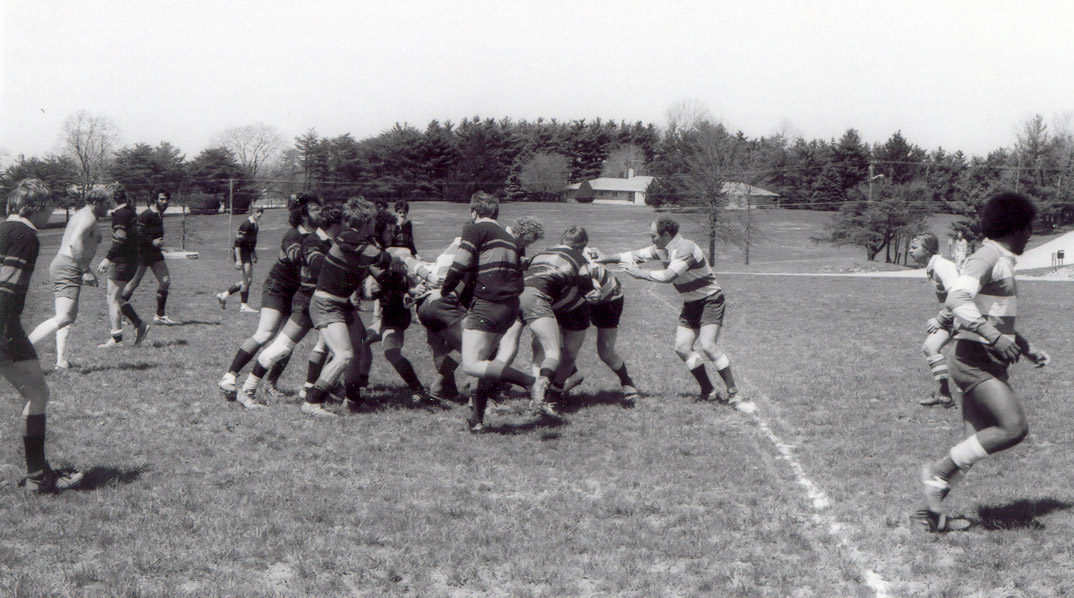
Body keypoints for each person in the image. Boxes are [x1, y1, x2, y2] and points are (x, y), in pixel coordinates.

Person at [915, 192, 1051, 533]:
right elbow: (957, 297)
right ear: (1014, 227)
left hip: (983, 359)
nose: (1031, 234)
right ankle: (936, 472)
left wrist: (1025, 347)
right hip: (974, 361)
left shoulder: (1001, 259)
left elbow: (993, 316)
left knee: (970, 448)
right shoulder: (987, 256)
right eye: (1029, 227)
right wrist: (993, 336)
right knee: (1013, 428)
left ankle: (926, 516)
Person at [592, 216, 749, 411]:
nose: (652, 240)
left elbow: (669, 276)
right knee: (682, 347)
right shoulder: (662, 249)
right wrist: (604, 257)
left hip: (710, 300)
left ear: (665, 234)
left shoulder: (685, 248)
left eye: (653, 236)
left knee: (708, 346)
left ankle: (734, 393)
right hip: (691, 303)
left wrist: (640, 274)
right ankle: (708, 391)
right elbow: (632, 255)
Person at [2, 179, 83, 492]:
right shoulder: (25, 235)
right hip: (3, 324)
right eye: (50, 206)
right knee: (37, 393)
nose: (52, 212)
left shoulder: (2, 229)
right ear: (35, 206)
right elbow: (6, 287)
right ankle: (38, 477)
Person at [439, 192, 539, 433]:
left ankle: (529, 382)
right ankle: (477, 420)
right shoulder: (508, 238)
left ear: (474, 212)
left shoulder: (476, 229)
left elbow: (459, 264)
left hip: (488, 305)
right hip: (509, 307)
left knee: (471, 365)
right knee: (483, 363)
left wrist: (444, 291)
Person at [237, 202, 342, 413]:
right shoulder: (312, 241)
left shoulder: (331, 241)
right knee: (283, 347)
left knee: (337, 347)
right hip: (309, 301)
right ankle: (247, 389)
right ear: (336, 223)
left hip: (332, 302)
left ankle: (314, 389)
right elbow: (315, 263)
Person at [301, 198, 397, 418]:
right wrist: (406, 262)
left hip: (342, 304)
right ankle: (312, 401)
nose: (376, 224)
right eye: (373, 220)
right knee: (344, 355)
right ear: (365, 221)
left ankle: (352, 400)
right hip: (326, 304)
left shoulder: (360, 240)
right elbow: (383, 259)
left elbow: (380, 272)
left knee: (358, 350)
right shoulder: (349, 237)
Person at [219, 196, 319, 405]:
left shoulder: (318, 236)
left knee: (286, 342)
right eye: (315, 209)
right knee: (266, 333)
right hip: (278, 288)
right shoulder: (293, 235)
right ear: (303, 215)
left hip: (298, 292)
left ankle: (271, 383)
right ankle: (229, 377)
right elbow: (295, 256)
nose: (321, 213)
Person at [27, 186, 110, 369]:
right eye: (106, 203)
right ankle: (20, 349)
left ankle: (61, 361)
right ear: (96, 202)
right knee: (64, 316)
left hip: (67, 266)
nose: (109, 207)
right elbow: (74, 242)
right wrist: (85, 270)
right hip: (69, 266)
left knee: (66, 316)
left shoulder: (85, 214)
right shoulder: (88, 217)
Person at [517, 226, 596, 417]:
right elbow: (589, 290)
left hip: (539, 301)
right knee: (565, 353)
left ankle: (546, 395)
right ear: (582, 246)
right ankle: (549, 395)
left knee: (542, 350)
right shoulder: (580, 259)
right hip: (560, 304)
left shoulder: (541, 254)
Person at [95, 185, 151, 348]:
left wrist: (107, 258)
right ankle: (139, 324)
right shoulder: (130, 212)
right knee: (117, 297)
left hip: (121, 261)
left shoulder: (120, 215)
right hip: (131, 260)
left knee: (112, 298)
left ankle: (117, 339)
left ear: (112, 199)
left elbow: (120, 239)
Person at [909, 232, 959, 408]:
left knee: (968, 364)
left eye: (914, 247)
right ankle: (944, 395)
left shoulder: (943, 266)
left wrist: (940, 318)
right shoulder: (932, 266)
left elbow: (959, 296)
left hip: (965, 318)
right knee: (930, 347)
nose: (910, 251)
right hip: (952, 316)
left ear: (927, 250)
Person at [121, 190, 174, 324]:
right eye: (161, 199)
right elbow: (136, 233)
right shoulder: (146, 215)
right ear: (155, 199)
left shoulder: (159, 213)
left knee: (165, 281)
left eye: (166, 199)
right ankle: (120, 313)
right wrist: (152, 241)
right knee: (133, 283)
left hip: (155, 254)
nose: (164, 202)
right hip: (142, 254)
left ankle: (160, 315)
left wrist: (157, 244)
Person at [217, 206, 265, 312]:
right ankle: (243, 306)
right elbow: (237, 244)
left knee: (247, 281)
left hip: (247, 254)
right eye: (257, 212)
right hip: (241, 254)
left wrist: (254, 253)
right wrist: (238, 260)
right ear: (252, 212)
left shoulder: (255, 225)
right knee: (246, 281)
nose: (260, 214)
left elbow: (251, 242)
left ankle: (224, 295)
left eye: (261, 212)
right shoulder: (246, 224)